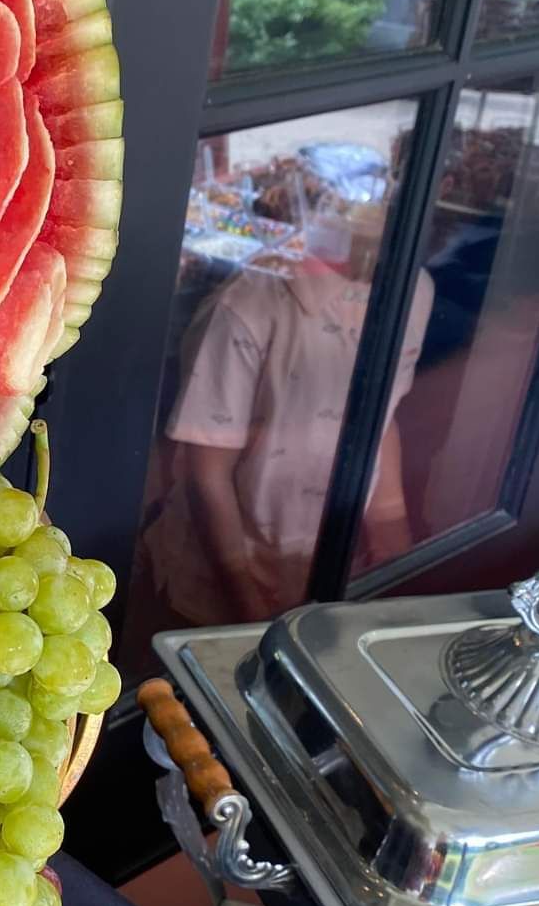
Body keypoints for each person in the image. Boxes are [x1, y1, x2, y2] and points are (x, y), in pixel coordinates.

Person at [142, 187, 433, 626]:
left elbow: (381, 418)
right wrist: (245, 598)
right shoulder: (247, 307)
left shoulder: (414, 292)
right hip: (221, 579)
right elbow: (208, 471)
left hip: (329, 573)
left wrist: (391, 528)